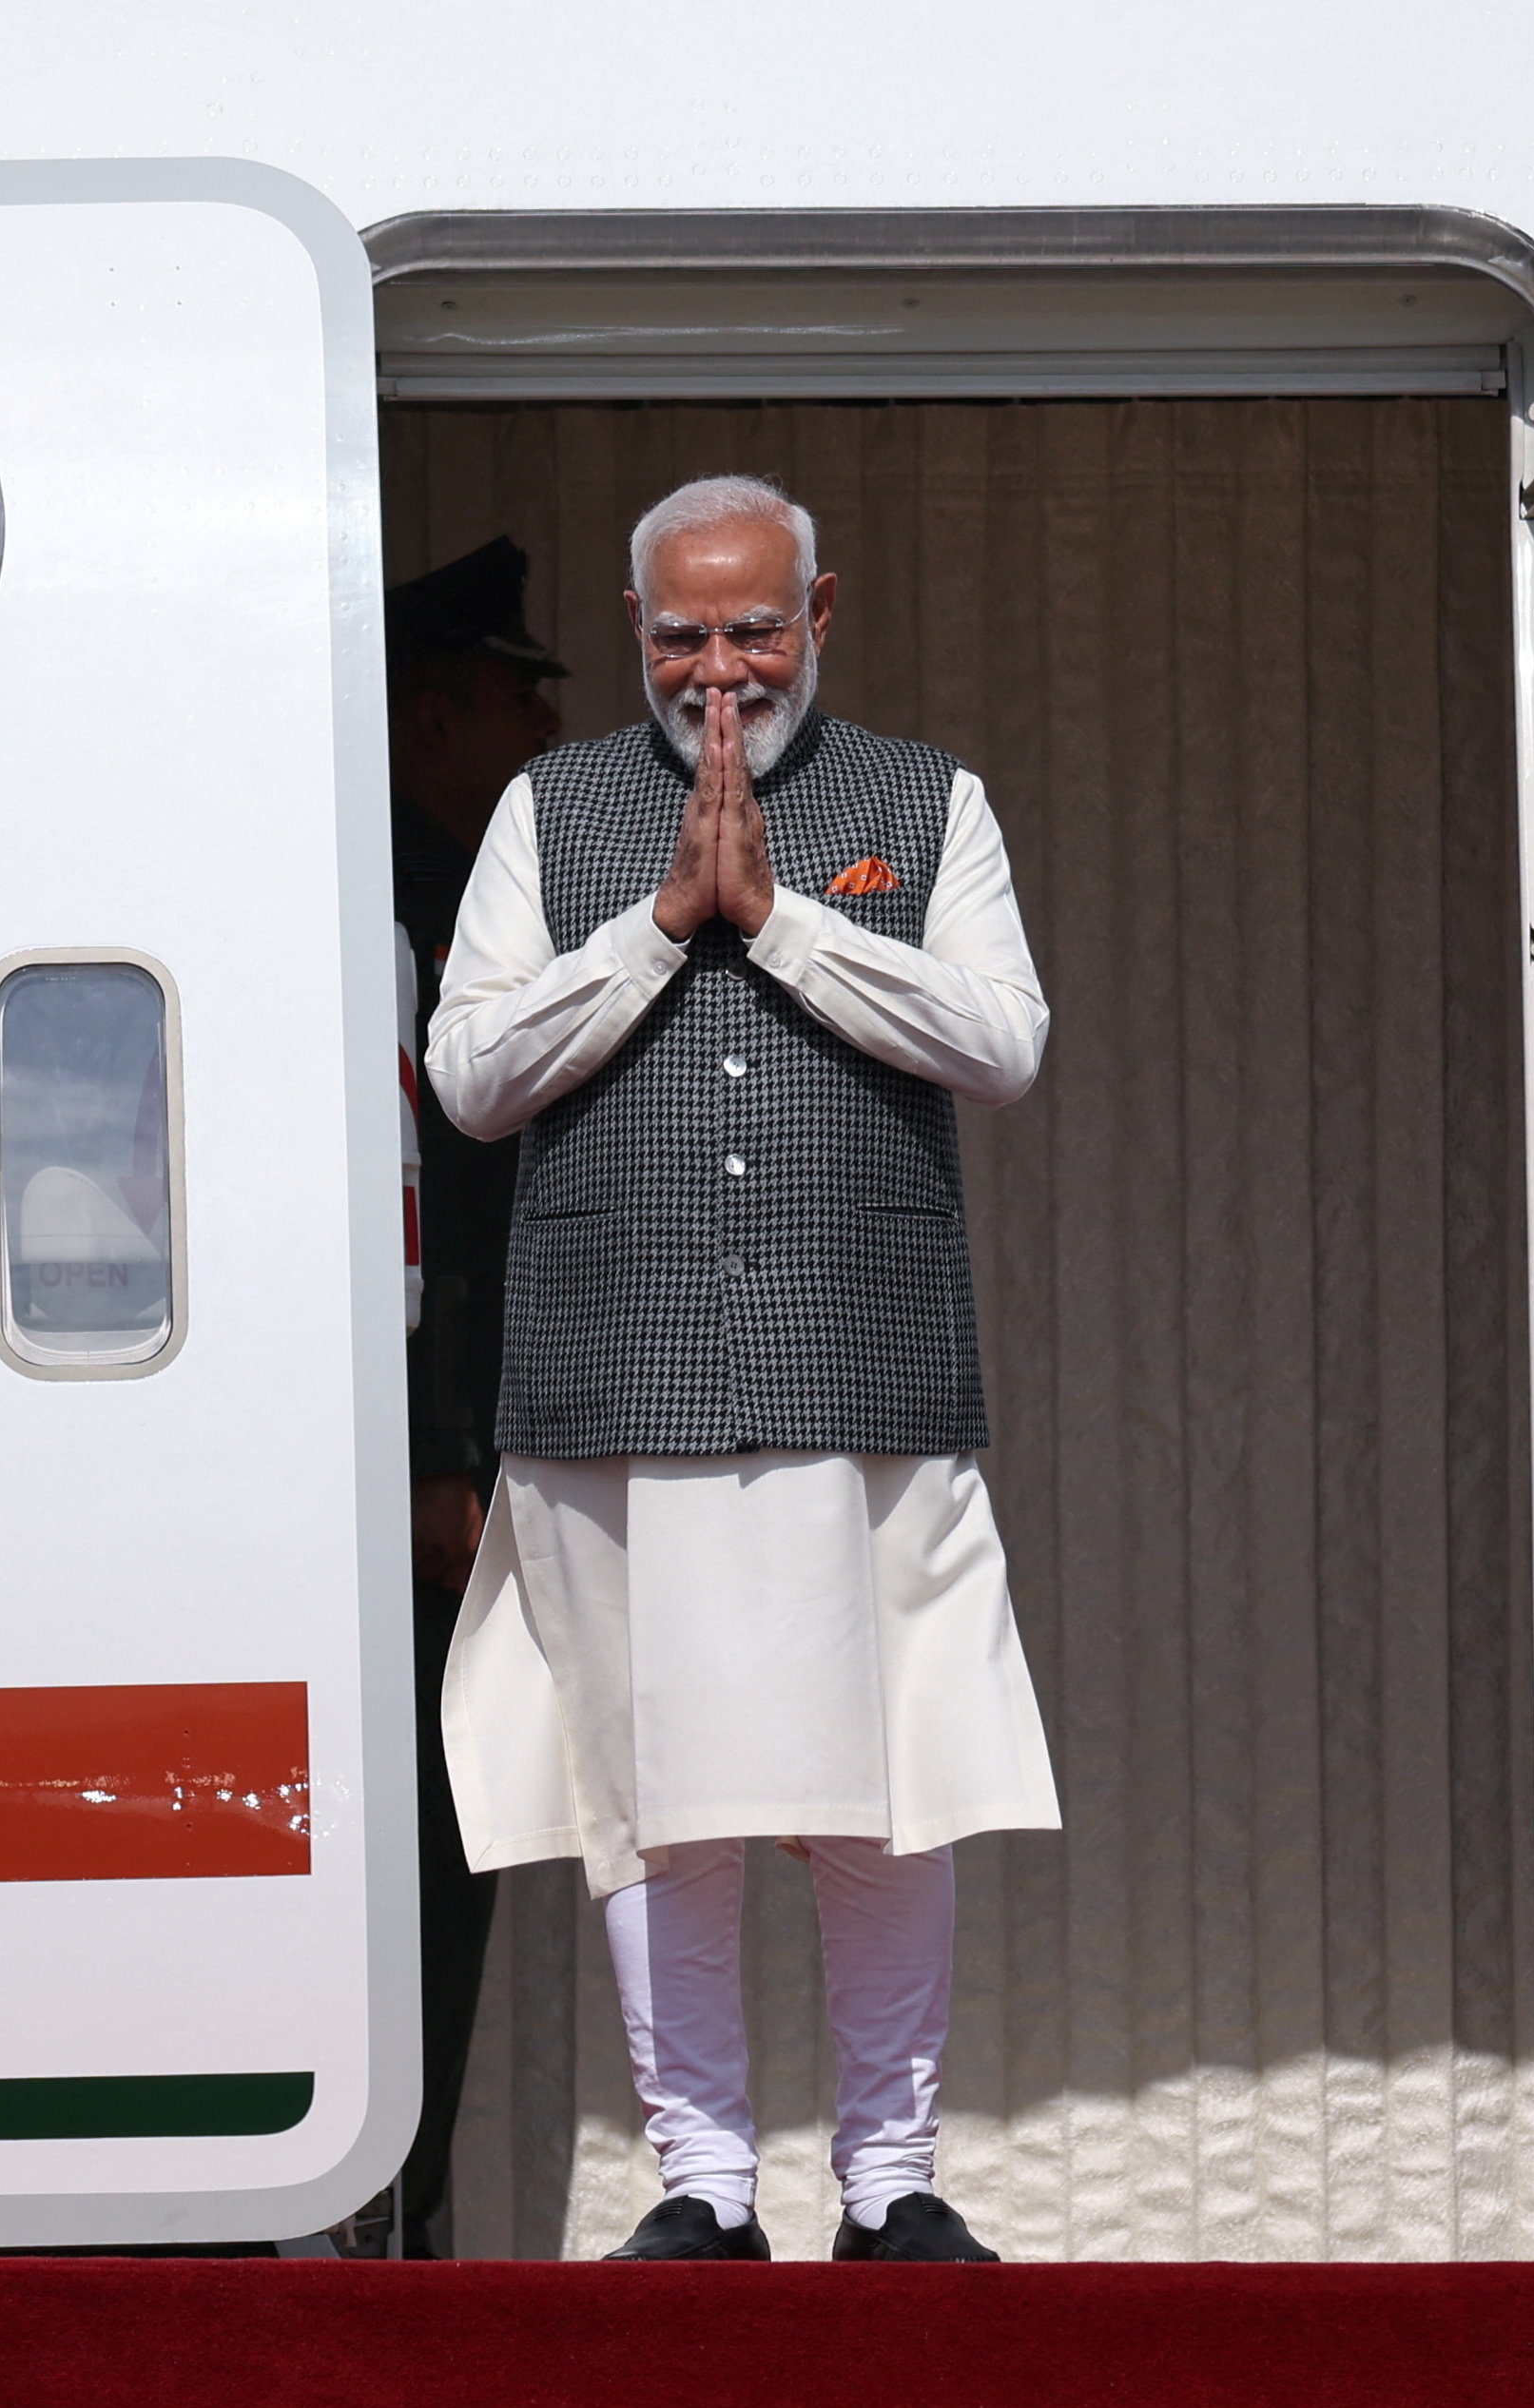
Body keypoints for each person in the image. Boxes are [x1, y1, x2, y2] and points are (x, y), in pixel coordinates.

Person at [424, 475, 1057, 2263]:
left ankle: (889, 2183)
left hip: (865, 1382)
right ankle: (701, 2182)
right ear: (637, 631)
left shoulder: (929, 802)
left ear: (820, 611)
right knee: (652, 1803)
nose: (720, 673)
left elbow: (1002, 1042)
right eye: (682, 635)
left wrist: (780, 921)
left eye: (753, 628)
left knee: (885, 1794)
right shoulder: (548, 811)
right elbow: (469, 1073)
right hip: (613, 1392)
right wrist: (653, 930)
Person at [375, 537, 568, 2258]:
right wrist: (427, 1476)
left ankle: (405, 2226)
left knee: (460, 1866)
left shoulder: (468, 909)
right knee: (411, 1888)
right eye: (518, 699)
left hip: (465, 1494)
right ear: (431, 712)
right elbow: (408, 1240)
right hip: (413, 1513)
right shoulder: (397, 921)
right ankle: (383, 2242)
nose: (537, 737)